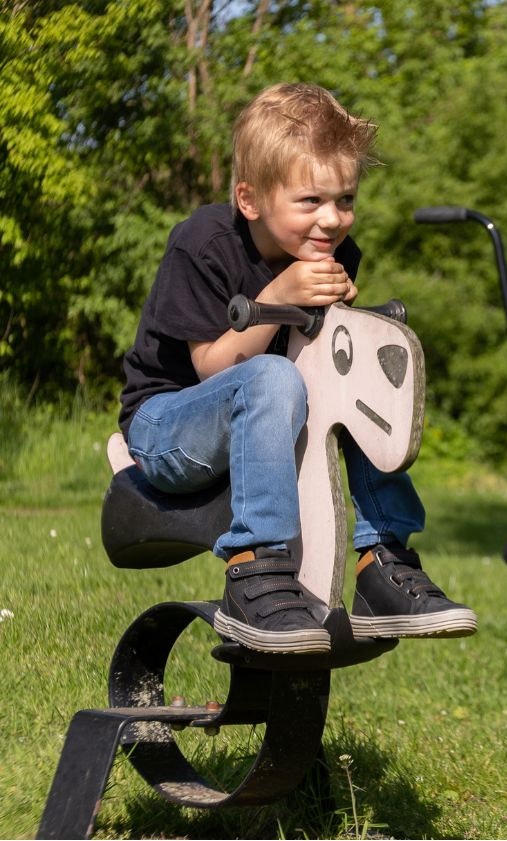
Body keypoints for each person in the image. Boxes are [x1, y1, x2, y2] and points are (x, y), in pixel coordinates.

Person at [117, 83, 476, 654]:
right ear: (251, 199)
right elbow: (214, 369)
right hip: (168, 427)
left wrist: (338, 321)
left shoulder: (330, 250)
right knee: (270, 377)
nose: (332, 219)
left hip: (274, 413)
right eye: (310, 201)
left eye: (346, 200)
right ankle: (255, 566)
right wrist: (280, 294)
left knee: (352, 375)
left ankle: (381, 557)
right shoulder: (204, 243)